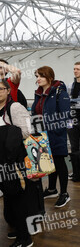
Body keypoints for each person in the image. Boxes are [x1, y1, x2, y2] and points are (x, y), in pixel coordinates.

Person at [0, 79, 44, 247]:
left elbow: (28, 131)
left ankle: (25, 238)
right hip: (3, 161)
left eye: (1, 89)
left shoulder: (15, 108)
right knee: (10, 197)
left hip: (16, 162)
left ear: (7, 90)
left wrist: (10, 136)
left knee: (19, 197)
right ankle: (19, 229)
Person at [31, 66, 71, 208]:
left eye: (41, 76)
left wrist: (54, 129)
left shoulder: (60, 92)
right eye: (37, 76)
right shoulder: (38, 93)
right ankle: (52, 189)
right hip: (41, 134)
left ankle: (64, 193)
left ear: (49, 77)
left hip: (55, 134)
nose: (38, 79)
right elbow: (35, 112)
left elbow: (65, 114)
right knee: (49, 162)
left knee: (59, 162)